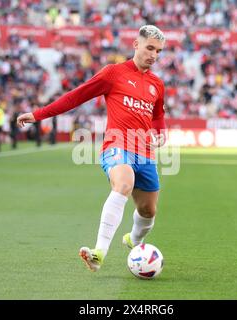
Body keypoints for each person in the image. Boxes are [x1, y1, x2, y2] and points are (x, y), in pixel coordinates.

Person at [17, 25, 167, 272]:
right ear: (136, 45)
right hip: (117, 145)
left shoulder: (156, 84)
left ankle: (135, 242)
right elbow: (75, 97)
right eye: (150, 47)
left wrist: (160, 133)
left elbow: (158, 114)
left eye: (158, 51)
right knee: (124, 183)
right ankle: (99, 252)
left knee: (148, 210)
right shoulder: (113, 73)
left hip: (145, 152)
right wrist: (38, 114)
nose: (153, 55)